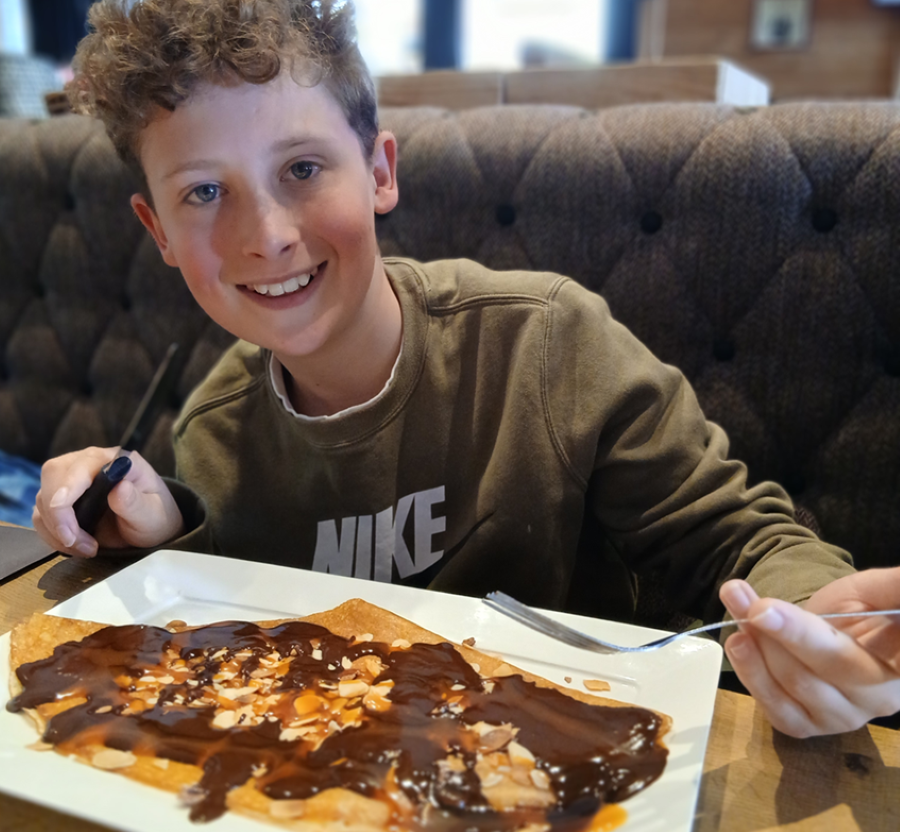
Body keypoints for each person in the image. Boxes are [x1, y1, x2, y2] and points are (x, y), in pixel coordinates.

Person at [32, 0, 899, 739]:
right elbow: (229, 635)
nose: (267, 235)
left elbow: (735, 541)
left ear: (379, 172)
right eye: (204, 192)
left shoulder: (545, 346)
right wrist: (160, 530)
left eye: (302, 168)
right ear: (158, 231)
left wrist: (818, 622)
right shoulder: (214, 432)